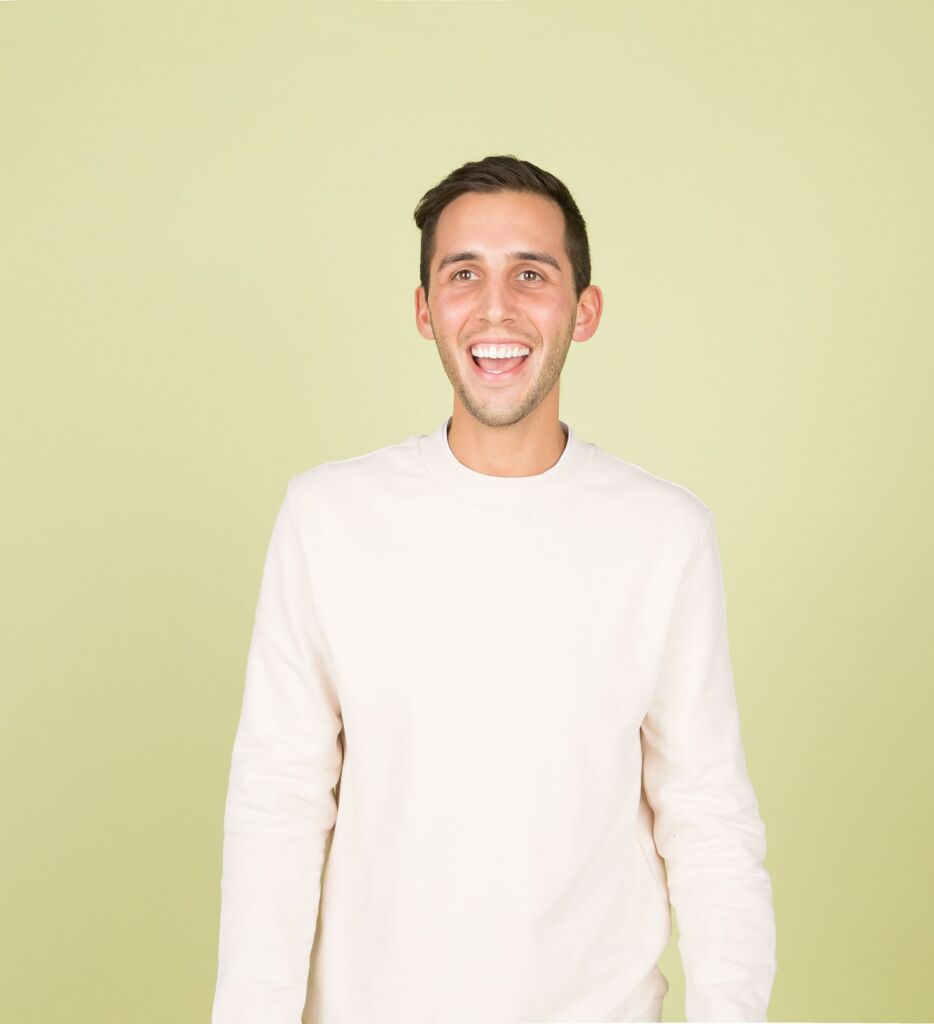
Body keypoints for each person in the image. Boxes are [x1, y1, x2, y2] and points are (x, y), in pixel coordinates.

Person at [212, 154, 777, 1023]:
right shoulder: (328, 519)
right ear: (424, 309)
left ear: (584, 311)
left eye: (532, 274)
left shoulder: (665, 535)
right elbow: (278, 804)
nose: (497, 308)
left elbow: (706, 820)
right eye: (463, 274)